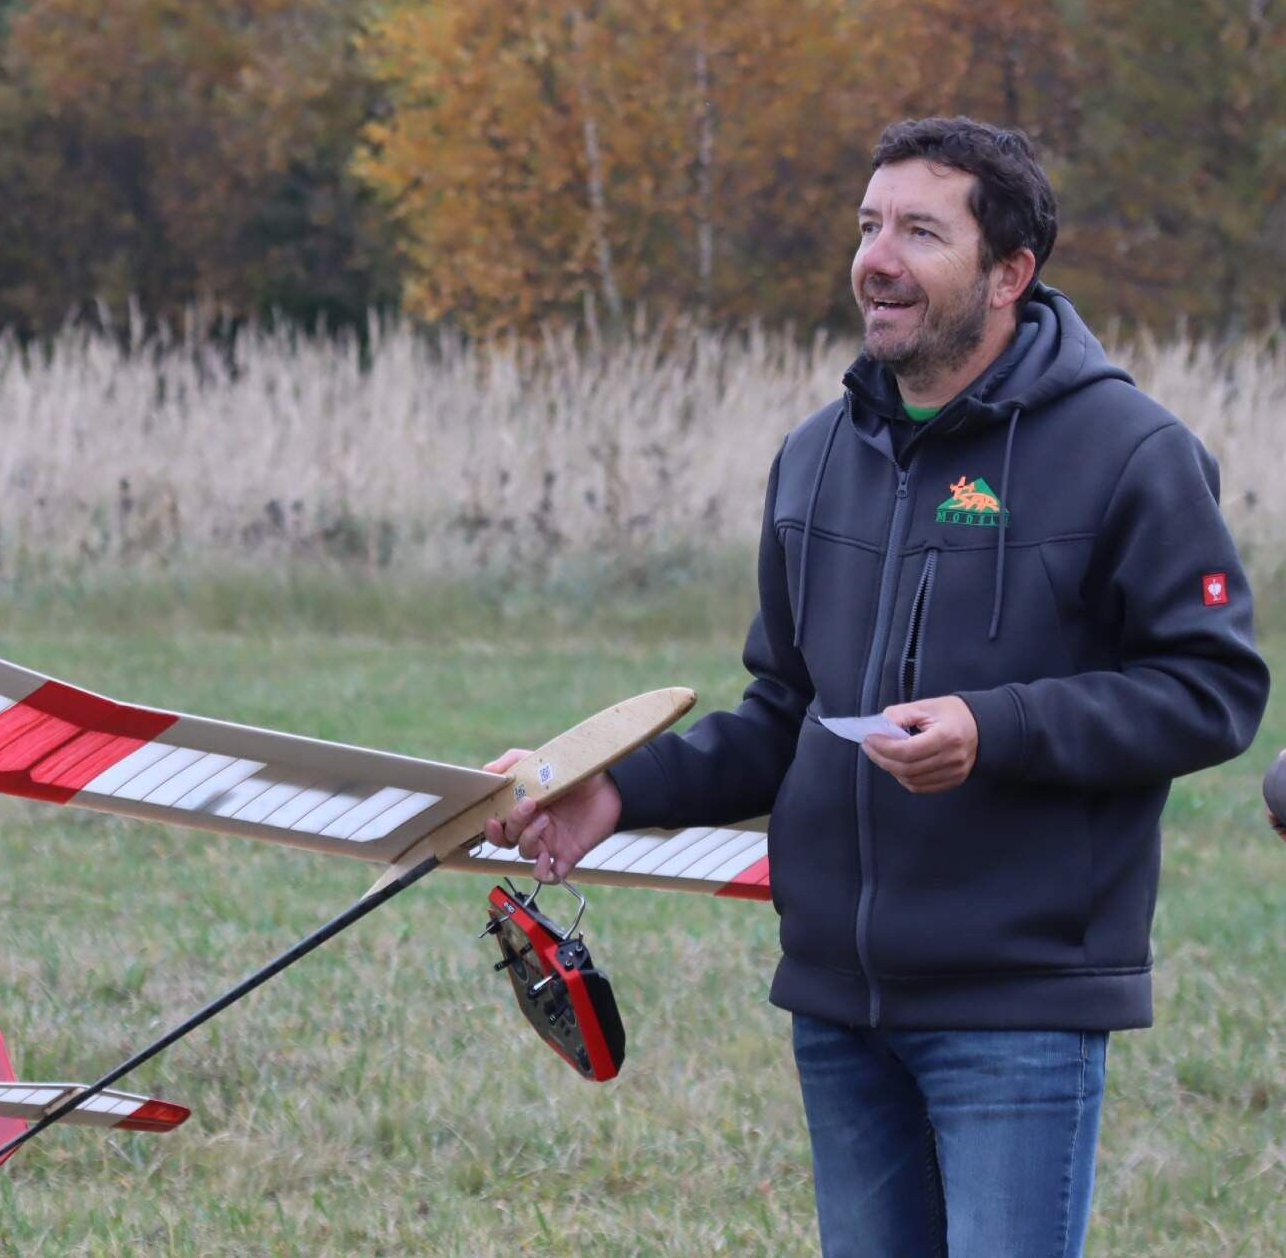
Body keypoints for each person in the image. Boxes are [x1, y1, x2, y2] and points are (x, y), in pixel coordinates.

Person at [484, 116, 1270, 1256]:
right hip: (838, 1005)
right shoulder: (815, 456)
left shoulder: (1129, 452)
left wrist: (993, 729)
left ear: (1010, 272)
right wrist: (612, 790)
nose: (877, 259)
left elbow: (1211, 688)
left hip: (1017, 1006)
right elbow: (782, 713)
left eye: (919, 232)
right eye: (867, 226)